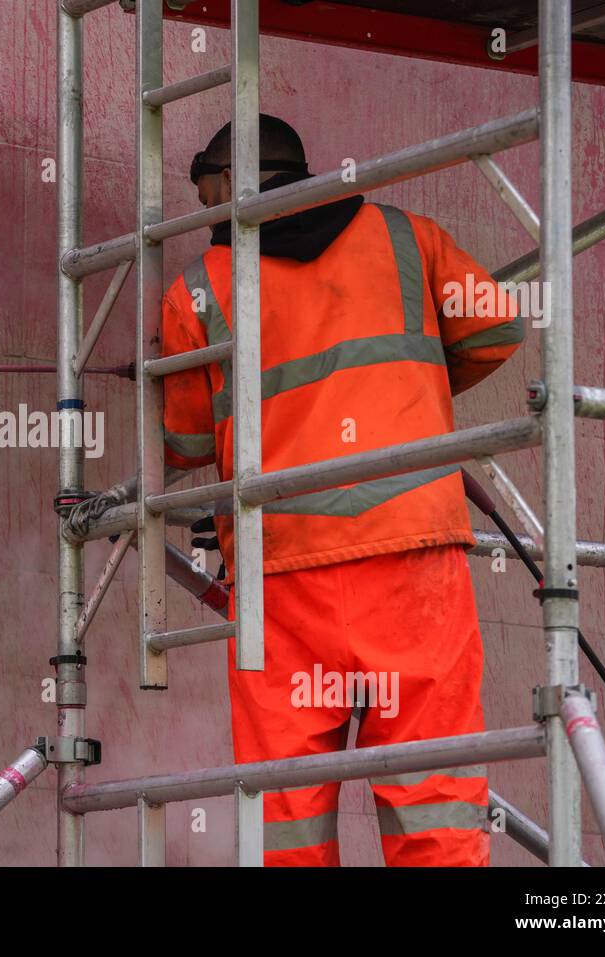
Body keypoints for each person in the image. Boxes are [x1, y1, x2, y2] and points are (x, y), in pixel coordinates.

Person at [161, 115, 523, 866]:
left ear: (231, 184)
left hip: (283, 580)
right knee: (437, 804)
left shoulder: (199, 289)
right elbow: (496, 330)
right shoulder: (404, 236)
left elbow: (188, 443)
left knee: (287, 814)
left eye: (209, 195)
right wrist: (415, 387)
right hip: (413, 559)